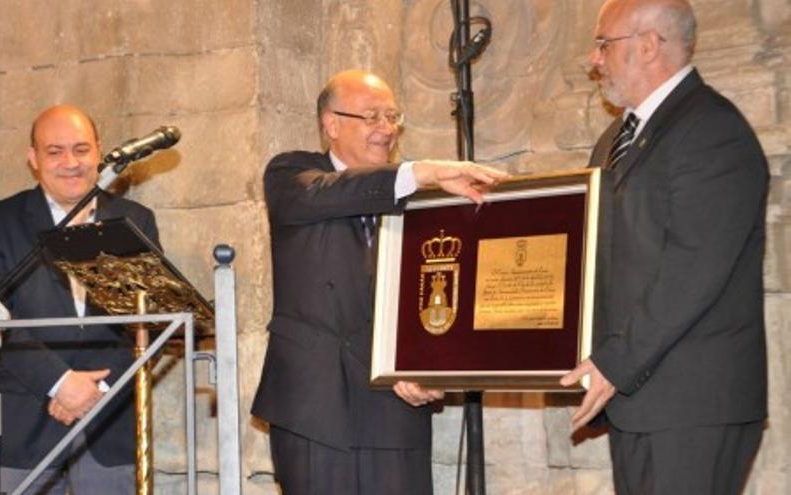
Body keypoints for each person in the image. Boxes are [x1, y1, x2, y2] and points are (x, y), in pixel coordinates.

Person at [251, 70, 505, 494]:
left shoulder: (421, 202)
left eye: (392, 117)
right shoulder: (292, 173)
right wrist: (421, 171)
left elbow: (434, 298)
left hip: (395, 406)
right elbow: (330, 194)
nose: (386, 129)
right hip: (316, 407)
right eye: (372, 117)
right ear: (331, 124)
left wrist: (428, 368)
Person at [560, 1, 769, 494]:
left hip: (692, 402)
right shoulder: (616, 138)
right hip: (637, 397)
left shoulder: (713, 131)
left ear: (648, 45)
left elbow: (692, 270)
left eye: (603, 44)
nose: (595, 59)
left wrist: (616, 361)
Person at [0, 104, 160, 493]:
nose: (70, 162)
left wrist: (96, 392)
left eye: (81, 149)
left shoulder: (134, 220)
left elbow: (150, 319)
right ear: (33, 159)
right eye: (54, 152)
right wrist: (59, 382)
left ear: (99, 151)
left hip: (110, 426)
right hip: (23, 428)